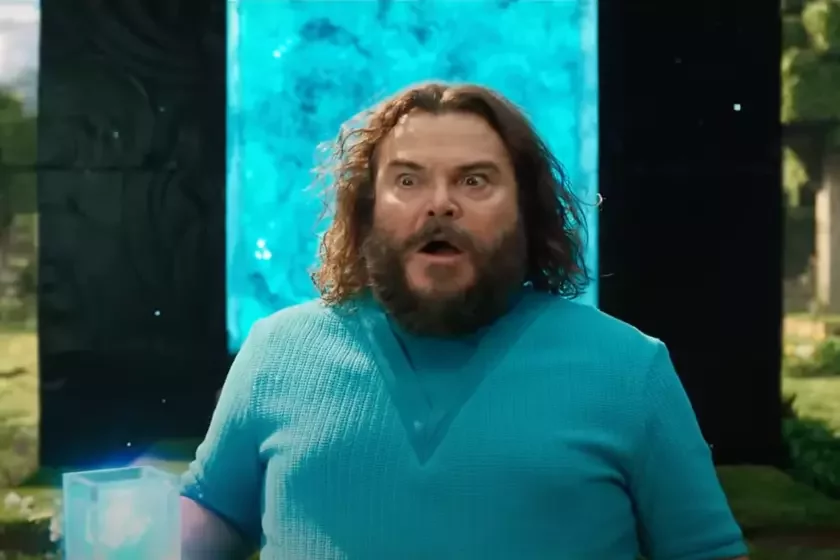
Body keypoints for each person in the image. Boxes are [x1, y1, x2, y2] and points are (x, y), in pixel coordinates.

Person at [180, 82, 749, 560]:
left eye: (474, 180)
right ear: (367, 208)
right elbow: (208, 519)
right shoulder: (277, 353)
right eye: (408, 180)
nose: (440, 204)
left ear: (526, 209)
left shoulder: (628, 369)